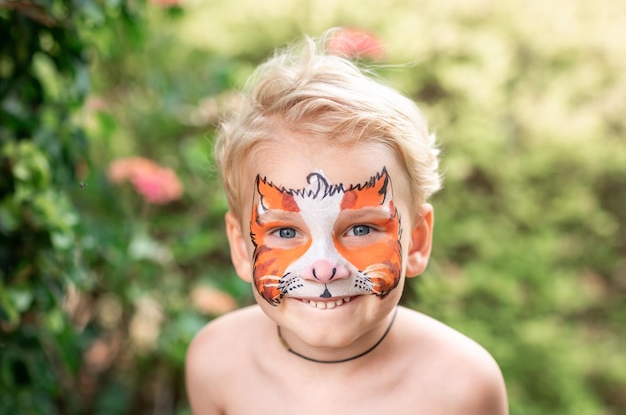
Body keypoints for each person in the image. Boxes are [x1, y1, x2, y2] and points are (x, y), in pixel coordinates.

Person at [185, 30, 508, 415]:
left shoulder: (463, 387)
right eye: (285, 232)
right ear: (241, 248)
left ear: (416, 242)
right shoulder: (215, 363)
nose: (324, 268)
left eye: (361, 229)